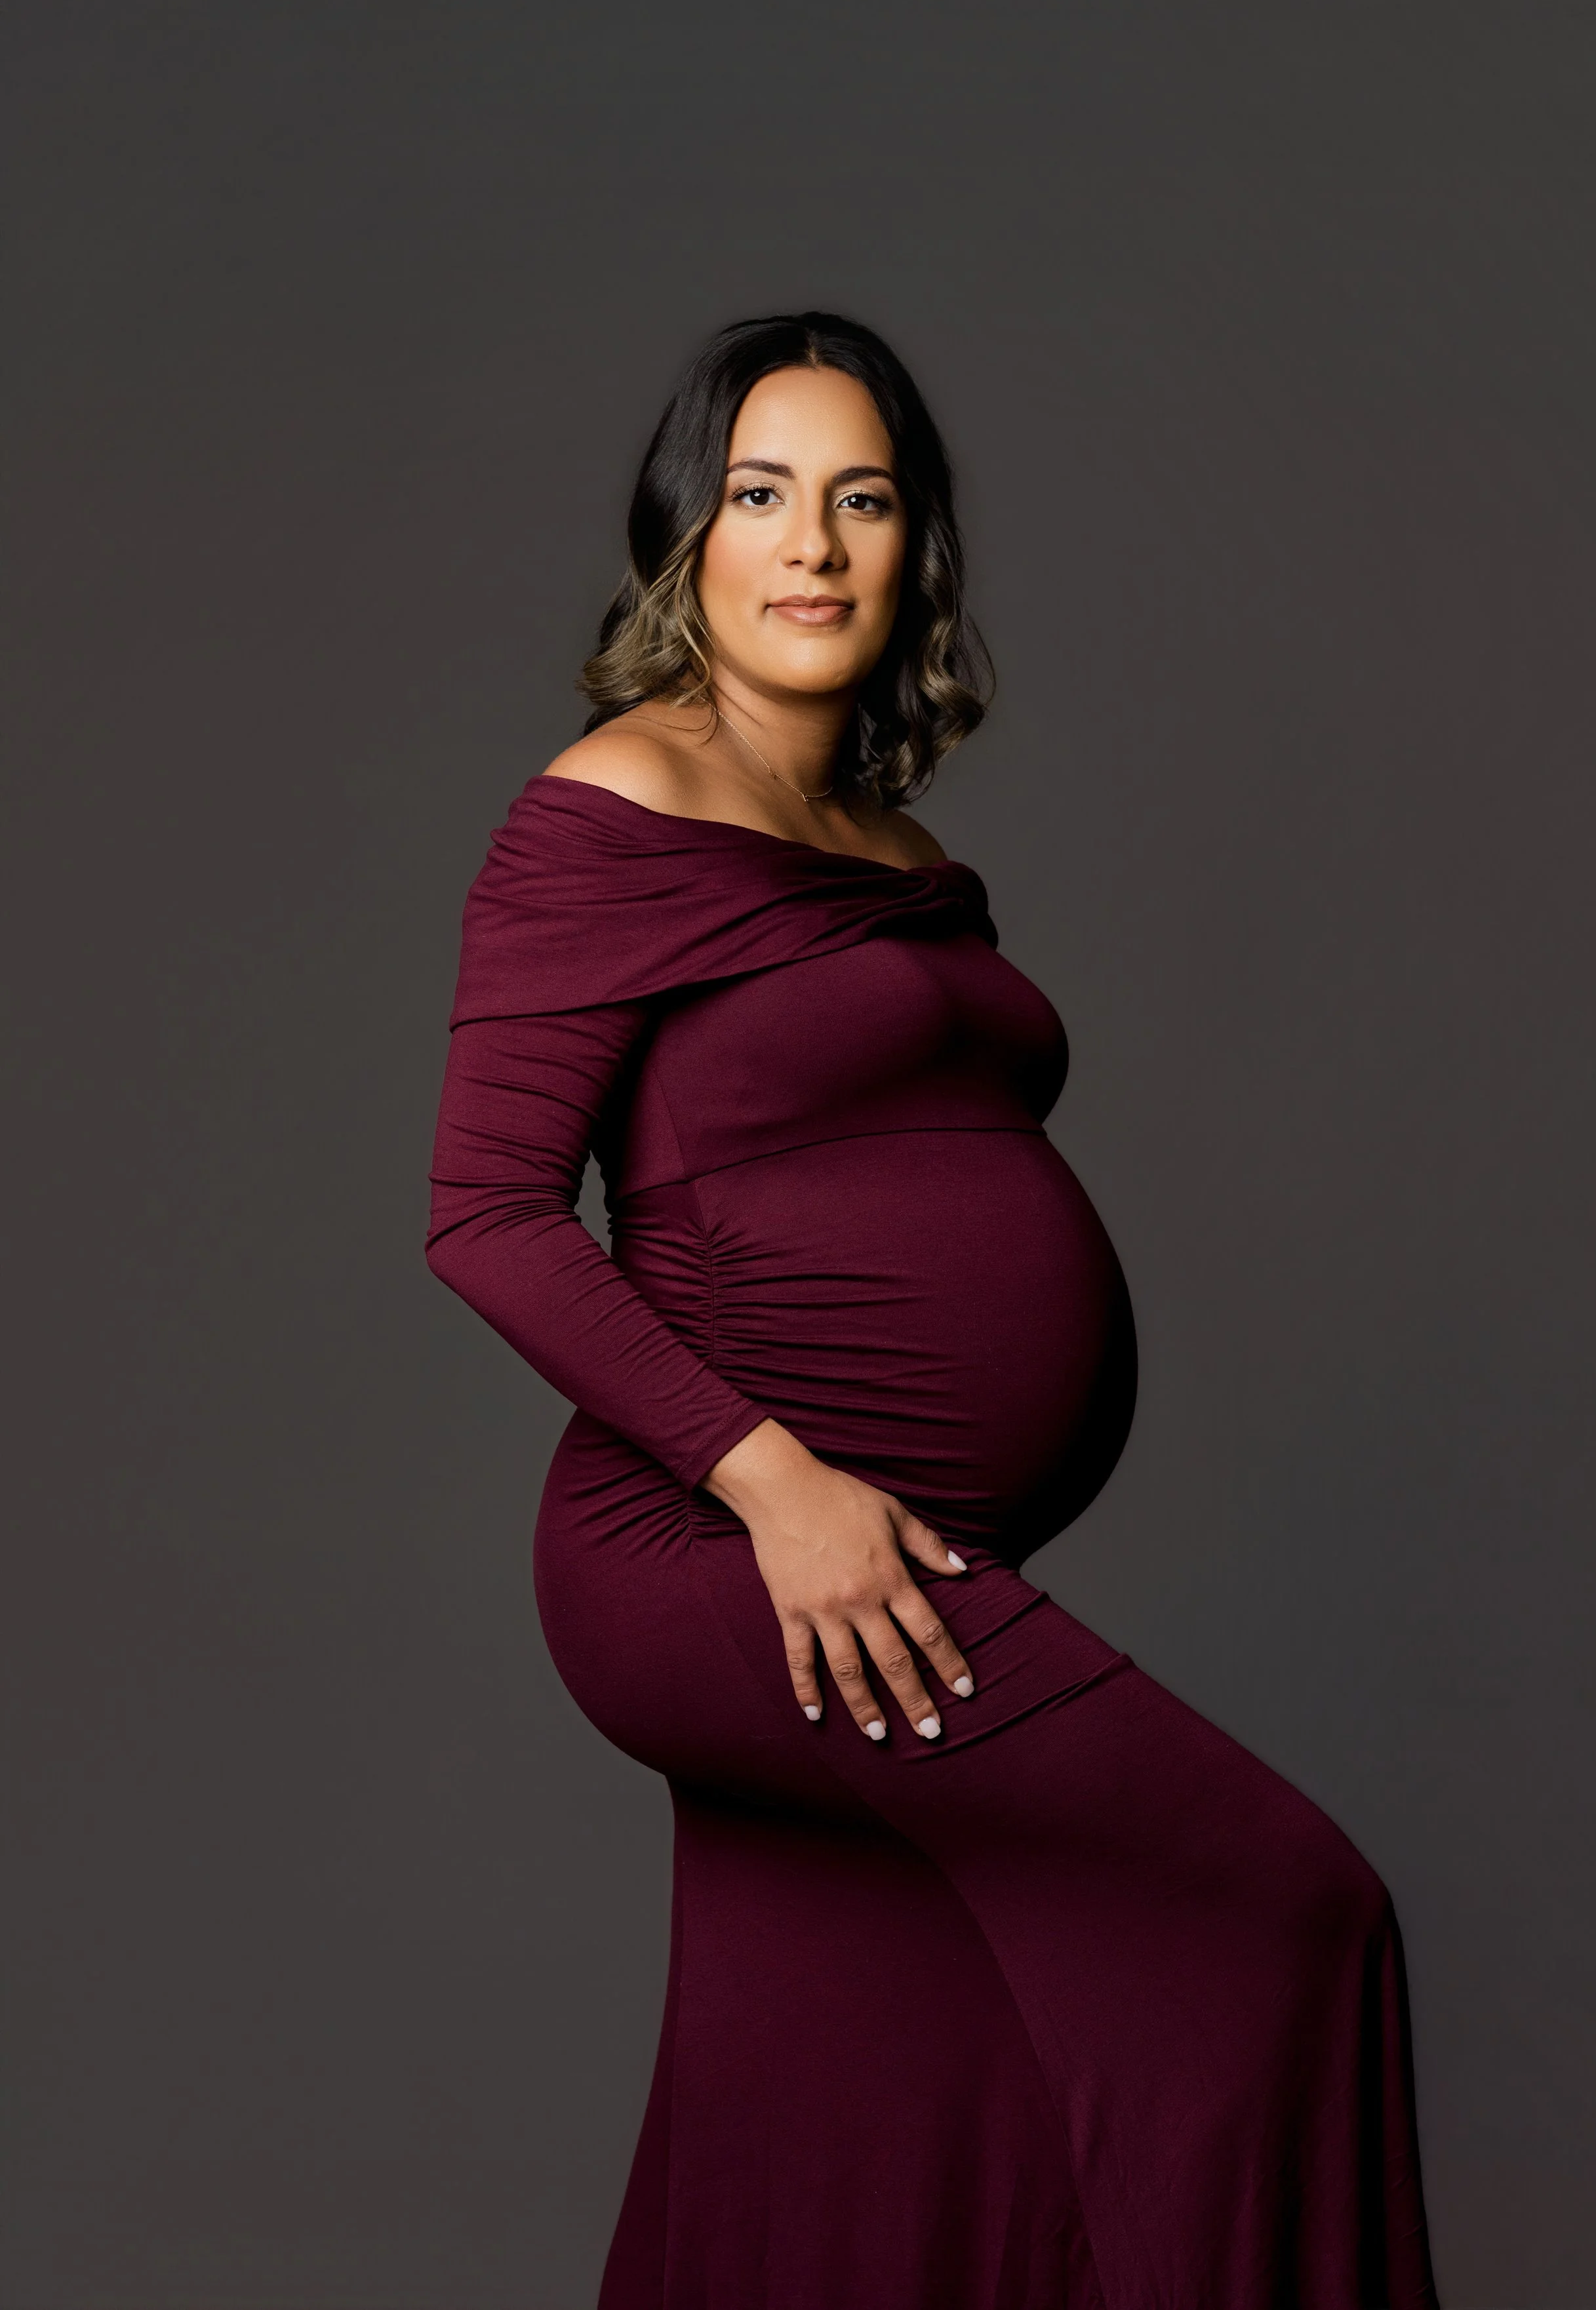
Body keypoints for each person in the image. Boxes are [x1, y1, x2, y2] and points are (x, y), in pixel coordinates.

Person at [425, 311, 1439, 2309]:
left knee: (840, 2082)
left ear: (916, 551)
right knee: (1289, 1910)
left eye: (861, 498)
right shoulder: (607, 805)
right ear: (684, 542)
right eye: (761, 493)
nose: (812, 544)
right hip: (726, 1540)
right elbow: (482, 1215)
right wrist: (775, 1485)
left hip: (885, 1536)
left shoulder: (895, 851)